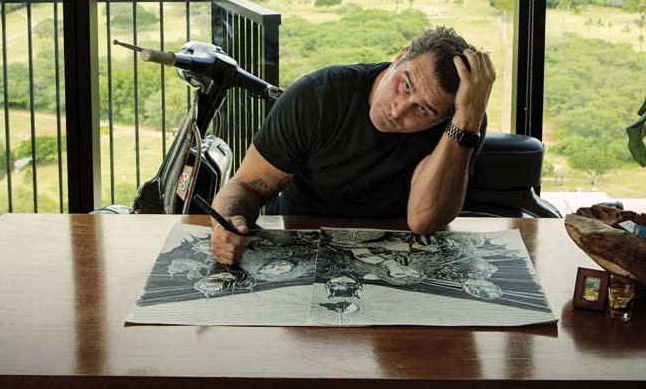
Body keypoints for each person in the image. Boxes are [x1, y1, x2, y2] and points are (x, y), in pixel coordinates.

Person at [207, 26, 495, 264]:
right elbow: (247, 186)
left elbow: (423, 220)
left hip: (402, 257)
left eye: (422, 110)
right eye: (405, 85)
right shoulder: (316, 97)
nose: (398, 110)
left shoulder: (462, 124)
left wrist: (467, 122)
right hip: (305, 248)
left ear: (445, 116)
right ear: (401, 55)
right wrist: (227, 224)